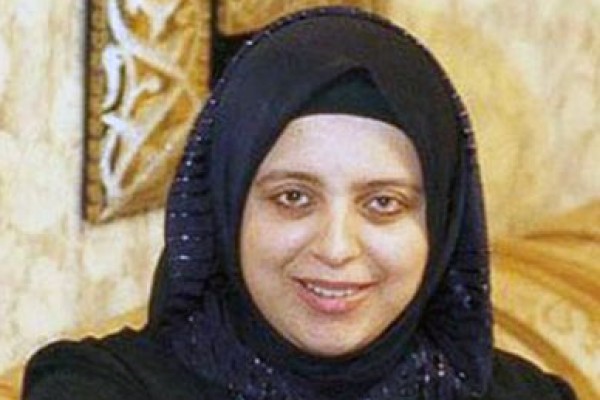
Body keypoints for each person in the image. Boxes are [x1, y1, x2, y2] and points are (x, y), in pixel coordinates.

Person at [22, 6, 577, 400]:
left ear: (442, 224)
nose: (336, 248)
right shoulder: (94, 386)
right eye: (293, 197)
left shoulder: (530, 395)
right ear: (227, 208)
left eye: (383, 203)